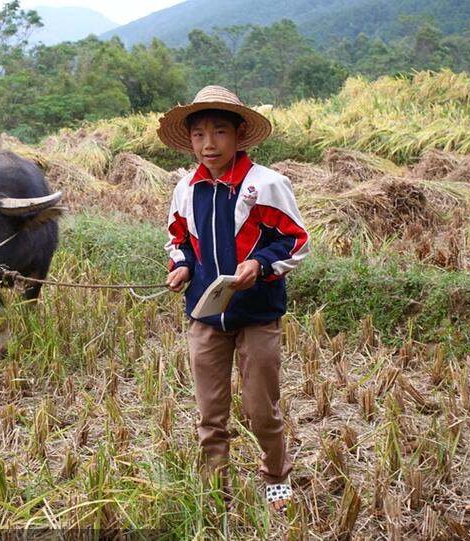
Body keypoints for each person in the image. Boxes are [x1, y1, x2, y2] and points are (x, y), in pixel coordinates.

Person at [157, 85, 310, 512]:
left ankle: (276, 477)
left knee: (262, 409)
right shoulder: (186, 188)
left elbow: (294, 241)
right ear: (188, 140)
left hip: (257, 314)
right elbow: (179, 239)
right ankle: (215, 484)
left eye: (220, 132)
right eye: (199, 134)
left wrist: (258, 265)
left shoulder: (266, 185)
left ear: (240, 134)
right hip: (205, 315)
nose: (209, 144)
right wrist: (182, 265)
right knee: (210, 411)